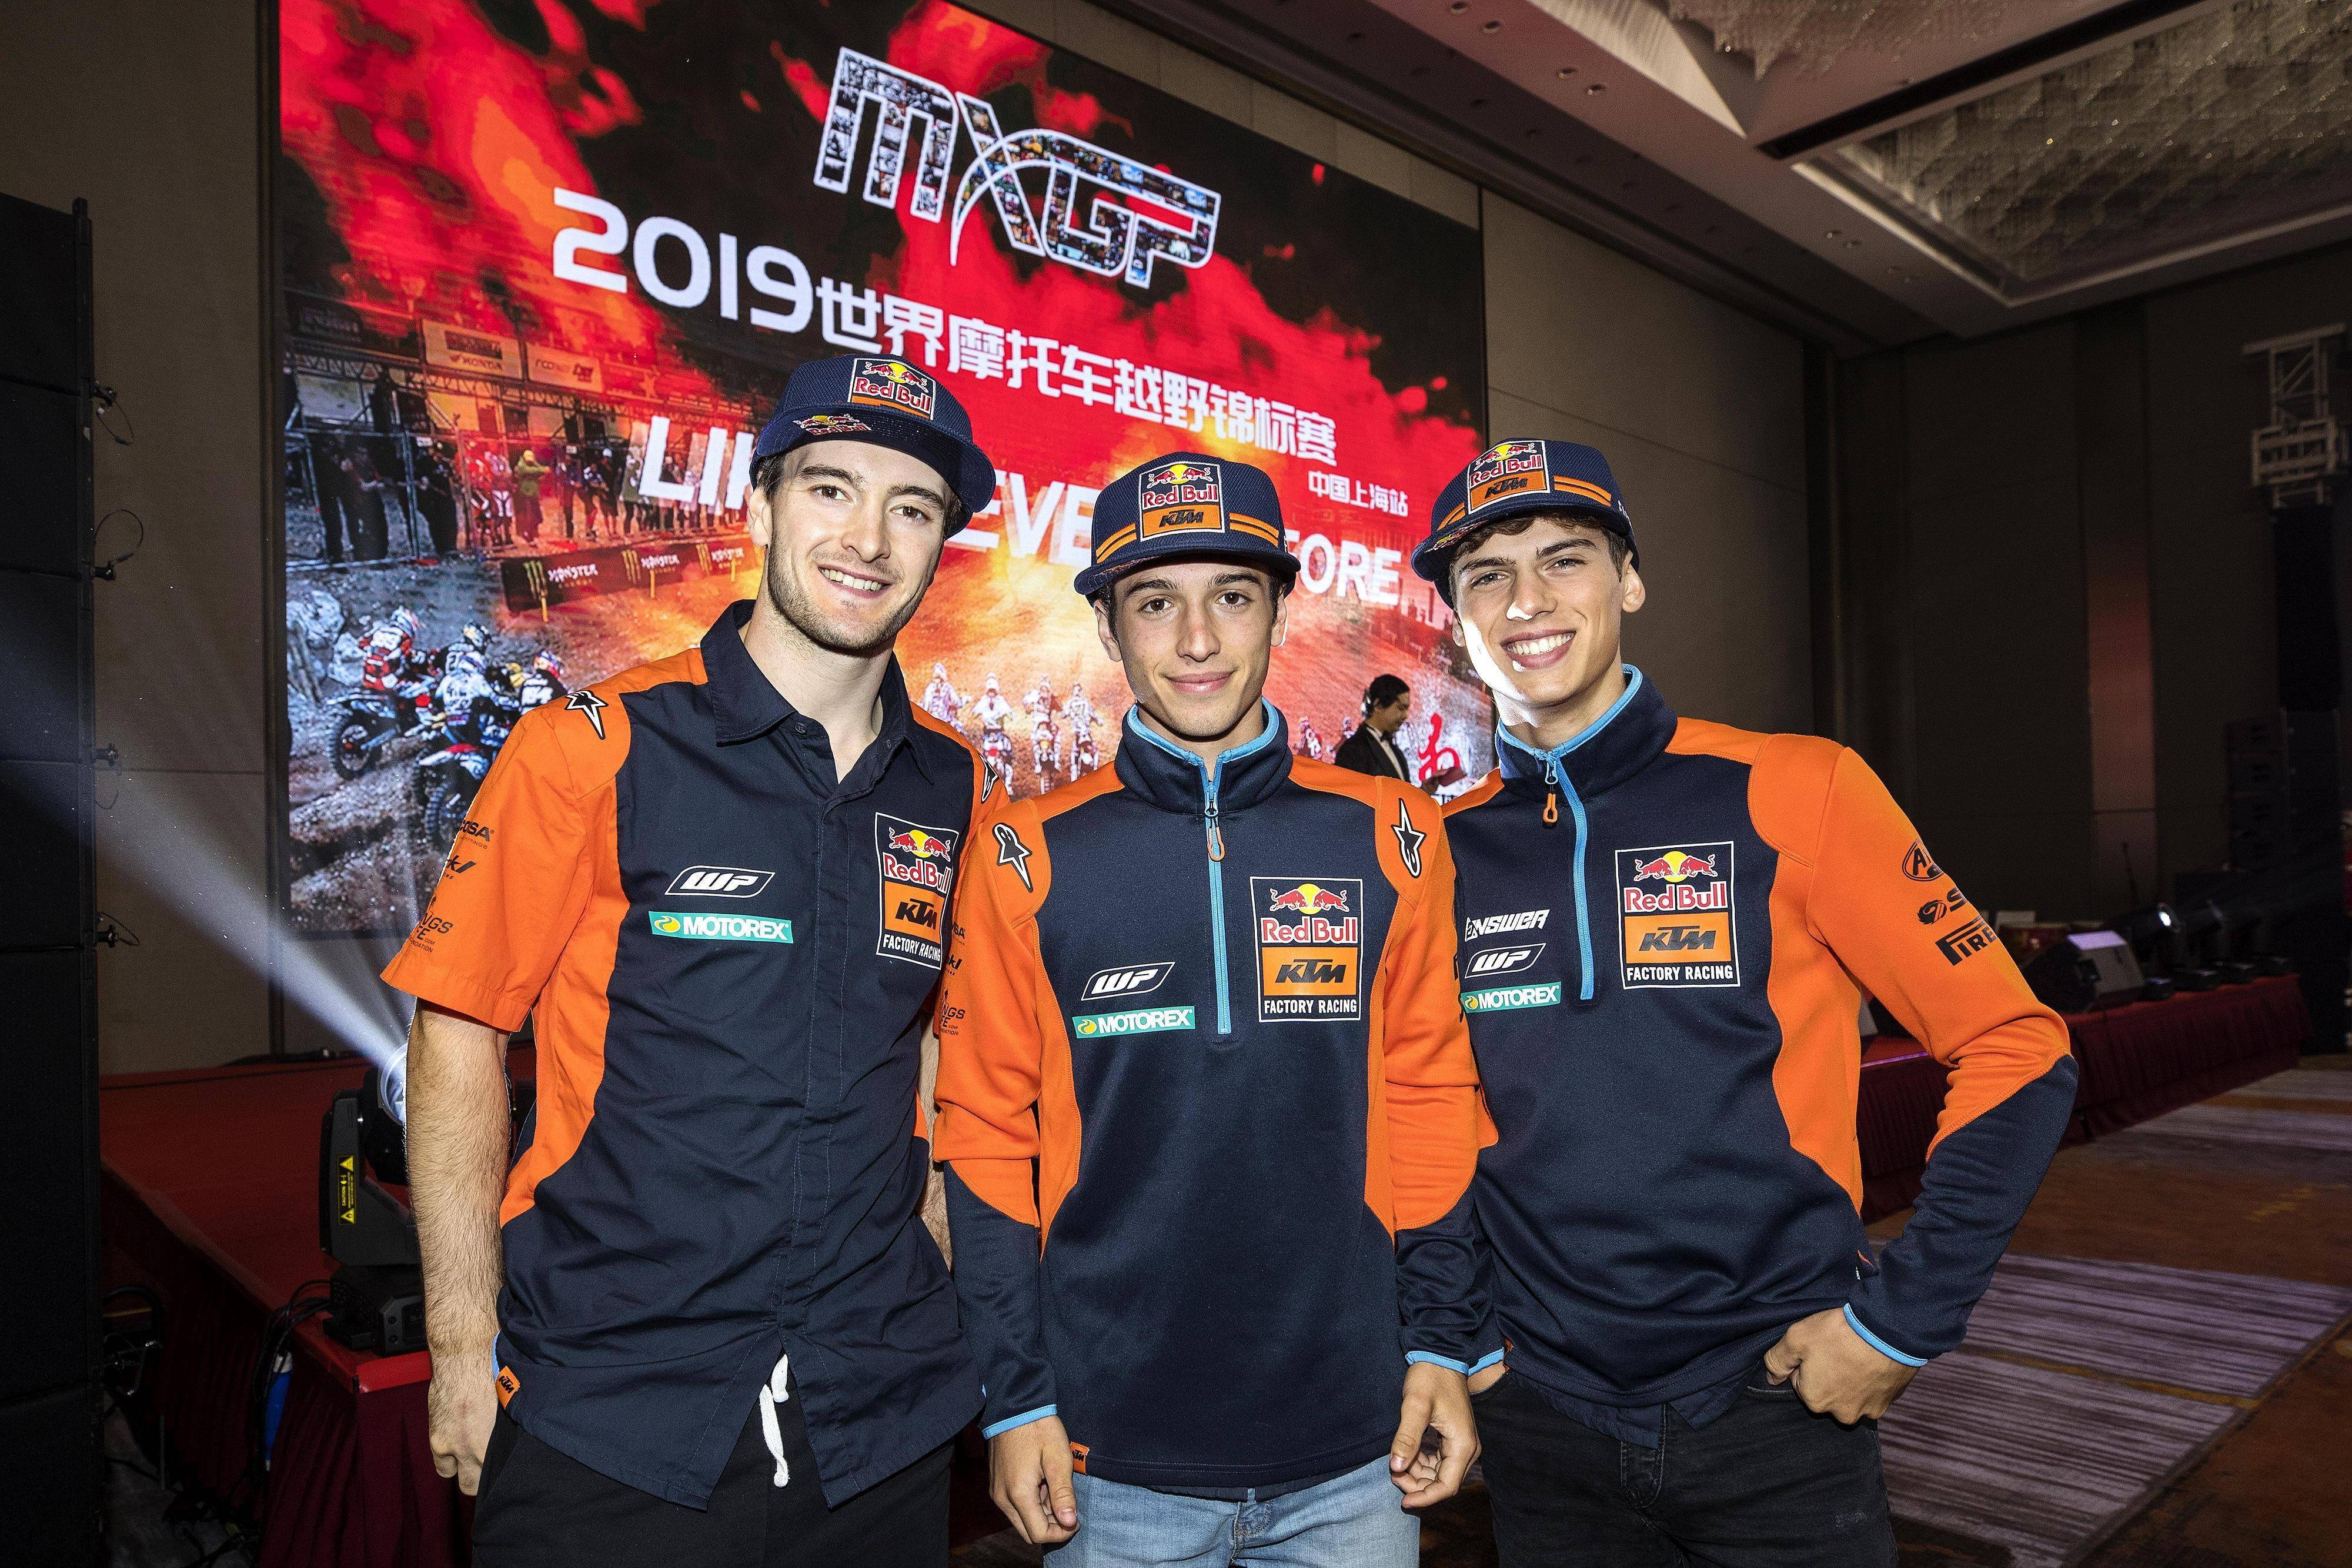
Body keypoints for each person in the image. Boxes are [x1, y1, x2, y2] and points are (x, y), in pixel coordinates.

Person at [1409, 440, 2078, 1567]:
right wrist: (1457, 1338)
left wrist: (1901, 1322)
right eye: (1487, 575)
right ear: (1456, 618)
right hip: (1539, 1414)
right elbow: (1422, 1110)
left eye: (1564, 559)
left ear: (1630, 580)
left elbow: (2017, 1045)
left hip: (1776, 1398)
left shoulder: (1798, 787)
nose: (1527, 600)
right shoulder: (1435, 847)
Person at [383, 353, 1001, 1567]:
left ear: (941, 544)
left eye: (912, 507)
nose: (868, 538)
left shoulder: (954, 785)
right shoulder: (593, 745)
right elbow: (455, 1030)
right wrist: (458, 1347)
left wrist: (933, 1230)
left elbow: (943, 1038)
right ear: (762, 505)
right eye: (831, 488)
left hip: (877, 1421)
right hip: (610, 1416)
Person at [934, 452, 1494, 1567]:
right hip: (1108, 1459)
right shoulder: (1022, 853)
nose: (1197, 639)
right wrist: (1013, 1393)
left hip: (1359, 1449)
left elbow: (1432, 1096)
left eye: (1232, 595)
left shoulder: (1393, 833)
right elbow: (986, 1135)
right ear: (1107, 627)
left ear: (1279, 608)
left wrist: (1441, 1341)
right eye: (1155, 602)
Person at [1336, 675, 1415, 783]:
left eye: (1406, 709)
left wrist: (1424, 789)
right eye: (1401, 708)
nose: (1405, 716)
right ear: (1378, 705)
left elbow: (1400, 792)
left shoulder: (1397, 752)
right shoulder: (1353, 749)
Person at [512, 447, 549, 546]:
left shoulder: (534, 464)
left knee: (538, 516)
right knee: (529, 516)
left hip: (534, 494)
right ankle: (529, 535)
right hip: (525, 494)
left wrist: (539, 469)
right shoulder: (521, 465)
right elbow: (525, 470)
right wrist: (539, 470)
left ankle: (531, 532)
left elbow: (543, 470)